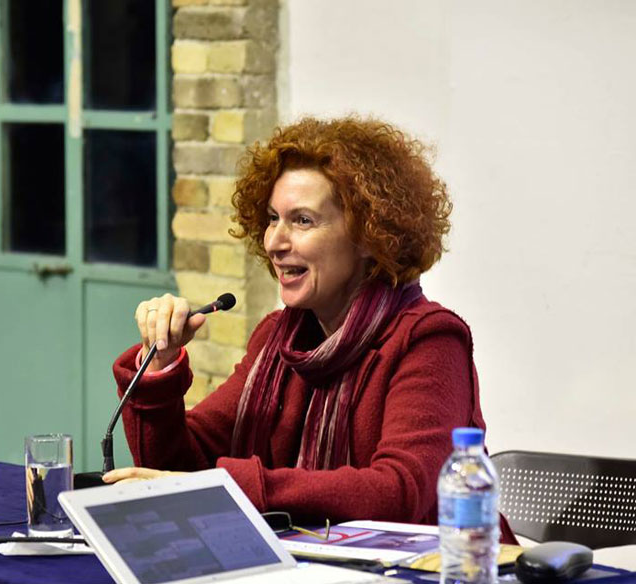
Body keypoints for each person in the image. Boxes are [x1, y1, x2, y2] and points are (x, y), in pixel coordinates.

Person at [104, 116, 514, 540]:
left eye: (302, 221)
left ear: (369, 236)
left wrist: (233, 486)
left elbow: (399, 491)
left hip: (439, 566)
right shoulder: (278, 339)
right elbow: (179, 468)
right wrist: (161, 366)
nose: (274, 242)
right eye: (272, 218)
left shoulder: (429, 340)